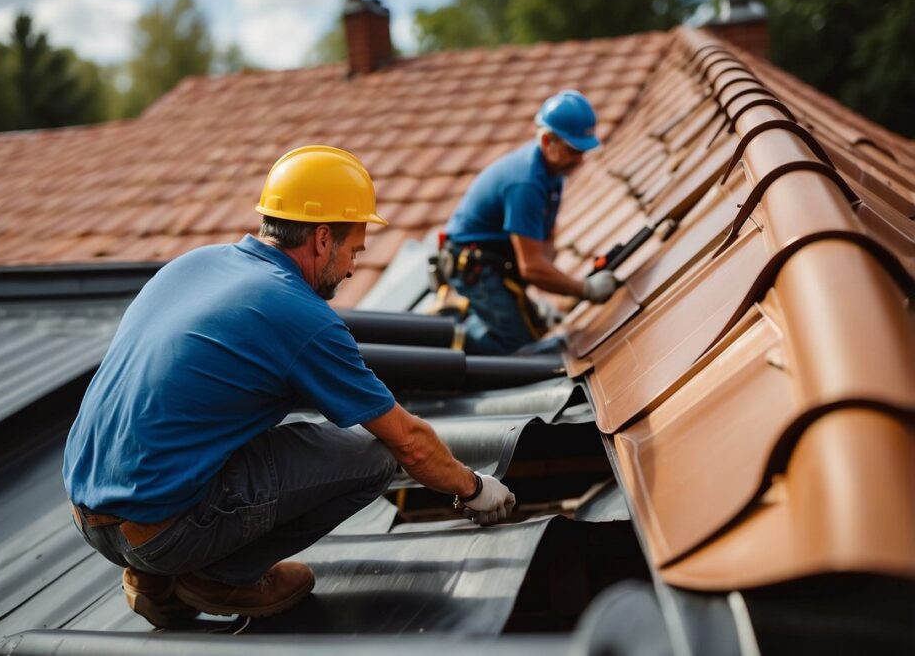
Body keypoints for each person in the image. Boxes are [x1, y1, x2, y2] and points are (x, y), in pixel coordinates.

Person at [63, 146, 516, 628]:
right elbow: (409, 442)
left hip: (87, 515)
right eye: (353, 251)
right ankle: (221, 577)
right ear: (323, 239)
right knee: (374, 456)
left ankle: (152, 581)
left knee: (236, 432)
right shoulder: (299, 315)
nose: (352, 269)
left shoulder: (195, 265)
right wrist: (473, 489)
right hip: (161, 535)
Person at [441, 90, 618, 355]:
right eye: (573, 150)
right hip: (474, 265)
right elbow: (532, 267)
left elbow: (544, 248)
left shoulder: (553, 173)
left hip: (497, 260)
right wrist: (585, 289)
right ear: (548, 141)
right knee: (516, 348)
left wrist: (547, 298)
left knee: (530, 330)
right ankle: (446, 339)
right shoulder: (525, 183)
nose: (580, 160)